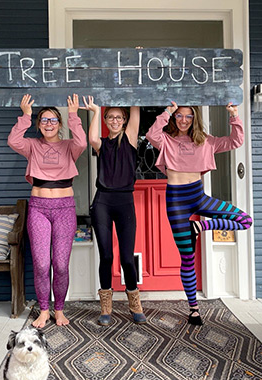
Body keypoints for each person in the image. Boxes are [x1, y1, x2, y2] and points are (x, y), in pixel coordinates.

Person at [145, 101, 253, 325]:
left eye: (188, 117)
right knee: (187, 258)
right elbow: (151, 133)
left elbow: (236, 140)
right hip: (176, 200)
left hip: (198, 196)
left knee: (244, 220)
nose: (183, 120)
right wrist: (166, 111)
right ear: (175, 118)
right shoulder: (166, 140)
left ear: (195, 119)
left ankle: (202, 226)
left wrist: (234, 115)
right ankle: (193, 308)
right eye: (179, 116)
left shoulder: (206, 141)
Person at [7, 93, 88, 327]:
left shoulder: (69, 147)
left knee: (60, 264)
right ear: (39, 124)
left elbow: (82, 142)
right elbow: (14, 140)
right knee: (42, 264)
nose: (49, 124)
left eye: (53, 120)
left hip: (64, 208)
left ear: (59, 124)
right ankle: (44, 310)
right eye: (44, 120)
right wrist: (25, 116)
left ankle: (59, 309)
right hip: (39, 208)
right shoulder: (32, 146)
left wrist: (73, 115)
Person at [84, 96, 146, 326]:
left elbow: (135, 107)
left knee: (127, 259)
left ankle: (134, 304)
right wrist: (94, 111)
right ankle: (106, 307)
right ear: (105, 120)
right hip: (103, 202)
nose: (114, 120)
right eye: (110, 117)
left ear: (124, 120)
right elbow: (91, 137)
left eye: (118, 117)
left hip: (124, 202)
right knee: (107, 256)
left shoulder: (129, 139)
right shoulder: (102, 144)